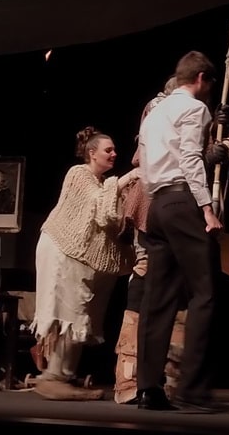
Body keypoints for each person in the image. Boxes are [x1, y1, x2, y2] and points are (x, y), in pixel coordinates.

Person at [114, 75, 229, 405]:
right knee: (171, 290)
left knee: (162, 295)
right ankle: (150, 383)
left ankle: (153, 385)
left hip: (160, 203)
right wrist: (205, 204)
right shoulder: (167, 107)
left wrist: (214, 133)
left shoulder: (166, 111)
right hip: (171, 199)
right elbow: (183, 156)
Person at [29, 126, 139, 401]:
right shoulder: (78, 174)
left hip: (76, 256)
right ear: (92, 153)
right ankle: (53, 378)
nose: (114, 154)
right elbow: (98, 205)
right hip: (62, 249)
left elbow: (110, 218)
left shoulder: (103, 184)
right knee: (70, 311)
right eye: (108, 150)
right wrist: (127, 179)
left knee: (81, 313)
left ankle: (62, 375)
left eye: (114, 150)